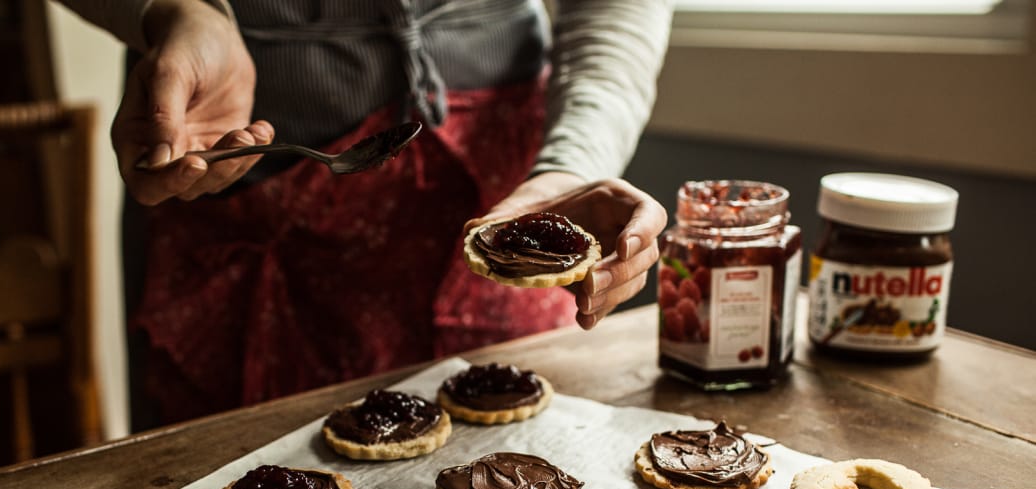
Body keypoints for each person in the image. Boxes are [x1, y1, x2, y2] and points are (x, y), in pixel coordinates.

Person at [58, 0, 672, 429]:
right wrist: (171, 9)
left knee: (510, 446)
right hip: (235, 180)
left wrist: (576, 162)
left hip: (517, 185)